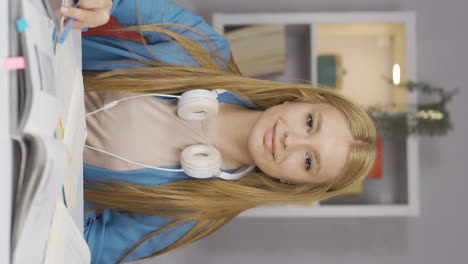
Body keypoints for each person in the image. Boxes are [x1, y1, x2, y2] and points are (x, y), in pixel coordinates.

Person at [63, 0, 377, 263]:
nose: (290, 141)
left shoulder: (196, 211)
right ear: (298, 99)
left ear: (292, 183)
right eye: (309, 123)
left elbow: (86, 249)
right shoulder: (204, 48)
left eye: (308, 161)